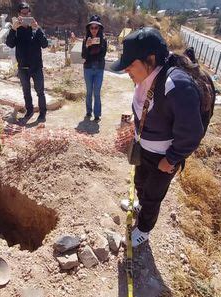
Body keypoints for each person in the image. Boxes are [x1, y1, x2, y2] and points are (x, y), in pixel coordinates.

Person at [111, 27, 205, 247]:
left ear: (150, 59)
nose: (126, 70)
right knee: (140, 182)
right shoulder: (147, 79)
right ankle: (139, 207)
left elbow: (192, 132)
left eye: (130, 64)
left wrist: (172, 158)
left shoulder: (177, 85)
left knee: (153, 193)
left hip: (164, 156)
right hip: (145, 148)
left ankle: (143, 229)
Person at [6, 2, 48, 124]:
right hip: (23, 67)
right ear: (18, 14)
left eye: (27, 13)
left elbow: (45, 44)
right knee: (26, 91)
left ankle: (42, 113)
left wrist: (37, 28)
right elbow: (9, 44)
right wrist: (13, 29)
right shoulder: (16, 30)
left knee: (40, 91)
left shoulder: (36, 29)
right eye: (22, 13)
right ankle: (29, 111)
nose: (25, 15)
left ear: (30, 13)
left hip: (36, 67)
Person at [81, 15, 107, 122]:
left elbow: (102, 55)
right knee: (89, 92)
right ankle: (88, 112)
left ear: (99, 28)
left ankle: (97, 114)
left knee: (96, 92)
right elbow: (83, 56)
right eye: (92, 27)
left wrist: (97, 47)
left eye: (96, 28)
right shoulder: (85, 39)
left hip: (99, 69)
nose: (94, 30)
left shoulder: (103, 40)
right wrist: (87, 46)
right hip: (88, 69)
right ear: (89, 28)